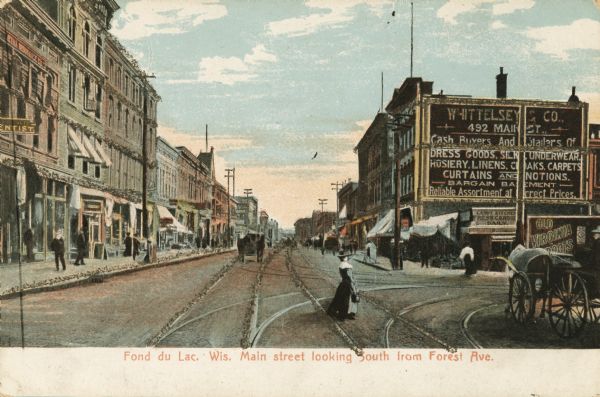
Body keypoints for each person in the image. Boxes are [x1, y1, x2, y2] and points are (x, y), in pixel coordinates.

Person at [327, 249, 359, 321]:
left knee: (340, 298)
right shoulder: (348, 266)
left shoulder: (341, 265)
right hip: (348, 284)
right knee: (349, 300)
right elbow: (350, 277)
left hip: (343, 283)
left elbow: (343, 276)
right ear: (345, 258)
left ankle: (339, 312)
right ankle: (348, 314)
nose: (347, 258)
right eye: (347, 256)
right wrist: (354, 285)